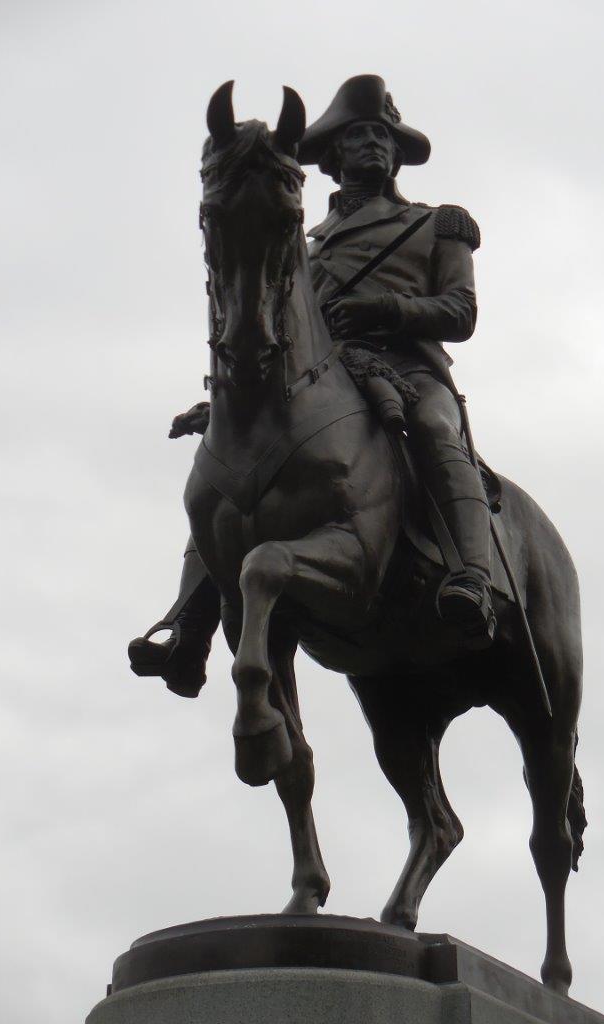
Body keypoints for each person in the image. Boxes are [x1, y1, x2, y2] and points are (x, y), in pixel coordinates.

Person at [129, 75, 494, 695]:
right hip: (319, 376)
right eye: (359, 136)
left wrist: (391, 310)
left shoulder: (436, 224)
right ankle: (190, 624)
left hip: (408, 370)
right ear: (332, 156)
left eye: (383, 135)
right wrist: (221, 397)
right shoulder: (306, 243)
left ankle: (473, 578)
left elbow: (460, 313)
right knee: (230, 463)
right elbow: (282, 323)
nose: (374, 145)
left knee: (434, 427)